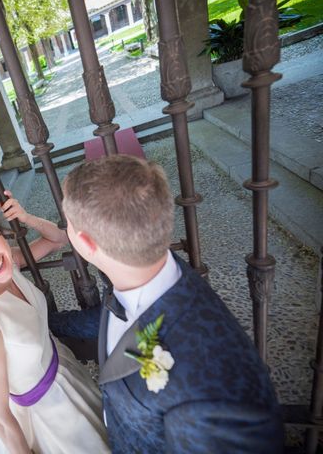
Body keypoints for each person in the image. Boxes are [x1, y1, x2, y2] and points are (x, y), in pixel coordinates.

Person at [49, 154, 284, 453]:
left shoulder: (211, 390)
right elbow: (113, 318)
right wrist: (46, 320)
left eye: (66, 223)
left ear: (86, 243)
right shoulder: (141, 271)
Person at [0, 191, 109, 454]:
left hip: (66, 375)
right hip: (42, 419)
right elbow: (1, 419)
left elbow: (58, 238)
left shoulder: (9, 263)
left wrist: (26, 217)